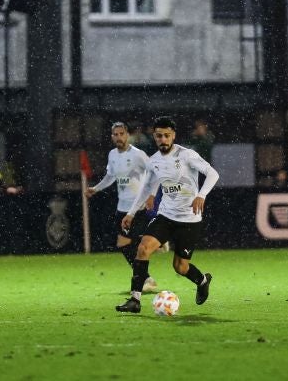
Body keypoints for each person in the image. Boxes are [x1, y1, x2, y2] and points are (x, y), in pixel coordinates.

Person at [116, 116, 219, 313]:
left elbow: (213, 173)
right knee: (143, 248)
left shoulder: (187, 155)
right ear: (154, 137)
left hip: (189, 219)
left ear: (173, 136)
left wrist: (201, 195)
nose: (163, 139)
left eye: (166, 135)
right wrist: (131, 213)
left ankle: (202, 280)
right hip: (166, 216)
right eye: (159, 136)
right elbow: (146, 188)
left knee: (180, 267)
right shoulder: (154, 161)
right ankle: (135, 300)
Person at [85, 122, 158, 294]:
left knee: (131, 244)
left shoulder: (138, 154)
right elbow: (110, 176)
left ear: (127, 135)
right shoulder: (112, 155)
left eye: (121, 134)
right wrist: (96, 188)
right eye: (115, 134)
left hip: (137, 206)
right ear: (112, 137)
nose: (119, 137)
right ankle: (147, 272)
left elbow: (154, 173)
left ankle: (145, 277)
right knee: (124, 244)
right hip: (122, 207)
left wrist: (151, 195)